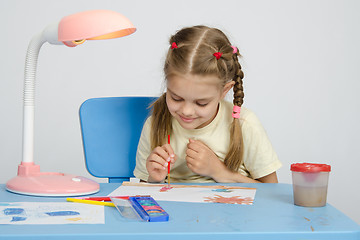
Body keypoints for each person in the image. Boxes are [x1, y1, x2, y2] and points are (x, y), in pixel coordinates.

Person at [134, 25, 281, 183]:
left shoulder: (245, 124)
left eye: (201, 103)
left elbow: (270, 191)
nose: (187, 111)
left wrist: (220, 172)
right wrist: (154, 179)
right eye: (176, 98)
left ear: (224, 91)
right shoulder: (154, 125)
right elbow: (145, 195)